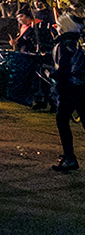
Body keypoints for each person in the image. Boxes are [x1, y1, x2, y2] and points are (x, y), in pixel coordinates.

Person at [50, 13, 85, 171]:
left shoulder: (66, 44)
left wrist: (50, 74)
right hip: (80, 87)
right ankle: (68, 156)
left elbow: (64, 68)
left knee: (62, 120)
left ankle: (70, 157)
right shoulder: (78, 41)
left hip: (69, 88)